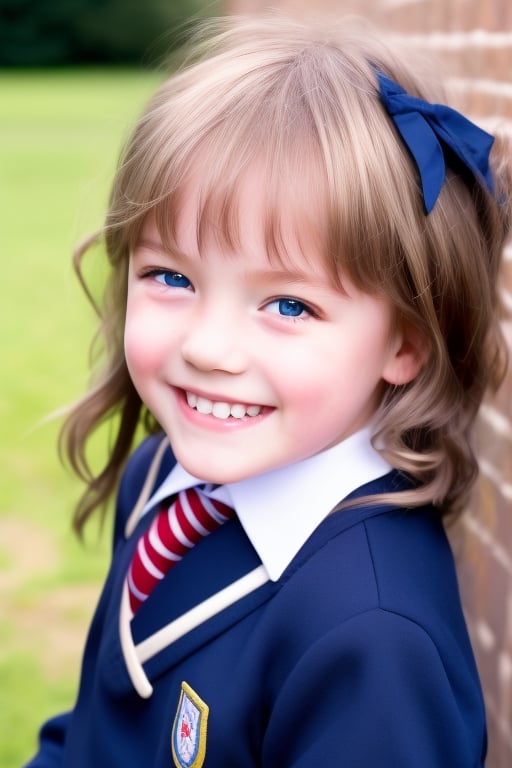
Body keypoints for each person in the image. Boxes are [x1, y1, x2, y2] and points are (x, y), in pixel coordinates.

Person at [25, 13, 511, 768]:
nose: (208, 348)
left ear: (406, 342)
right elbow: (91, 736)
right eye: (172, 278)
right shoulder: (161, 477)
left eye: (290, 305)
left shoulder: (373, 642)